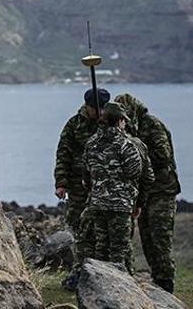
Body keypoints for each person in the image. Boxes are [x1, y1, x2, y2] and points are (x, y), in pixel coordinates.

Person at [115, 93, 181, 293]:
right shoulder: (129, 129)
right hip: (144, 193)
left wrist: (137, 154)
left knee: (160, 237)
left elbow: (163, 157)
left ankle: (165, 281)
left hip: (162, 191)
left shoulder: (153, 126)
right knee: (147, 238)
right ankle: (157, 278)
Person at [82, 101, 143, 269]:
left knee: (101, 247)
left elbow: (86, 172)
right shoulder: (125, 144)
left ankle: (99, 282)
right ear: (119, 121)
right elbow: (134, 172)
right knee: (119, 250)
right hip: (119, 204)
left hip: (97, 202)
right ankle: (119, 289)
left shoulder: (91, 143)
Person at [54, 88, 111, 231]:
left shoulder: (112, 125)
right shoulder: (74, 125)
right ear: (87, 106)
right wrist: (61, 183)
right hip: (78, 183)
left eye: (103, 109)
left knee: (102, 227)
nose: (100, 113)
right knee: (76, 224)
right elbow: (63, 154)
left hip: (105, 184)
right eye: (95, 109)